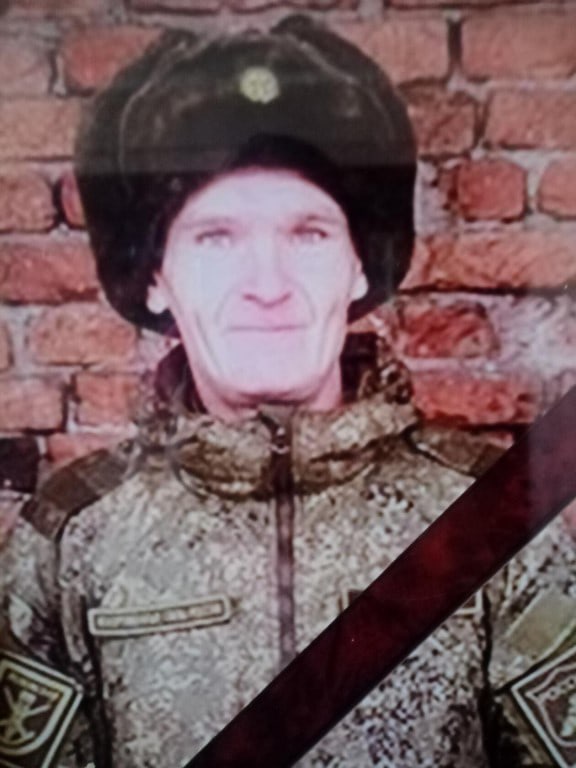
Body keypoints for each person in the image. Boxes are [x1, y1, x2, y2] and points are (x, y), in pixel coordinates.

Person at [1, 15, 574, 768]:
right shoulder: (73, 536)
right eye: (216, 238)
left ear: (360, 266)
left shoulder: (493, 516)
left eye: (308, 233)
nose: (266, 285)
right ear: (156, 277)